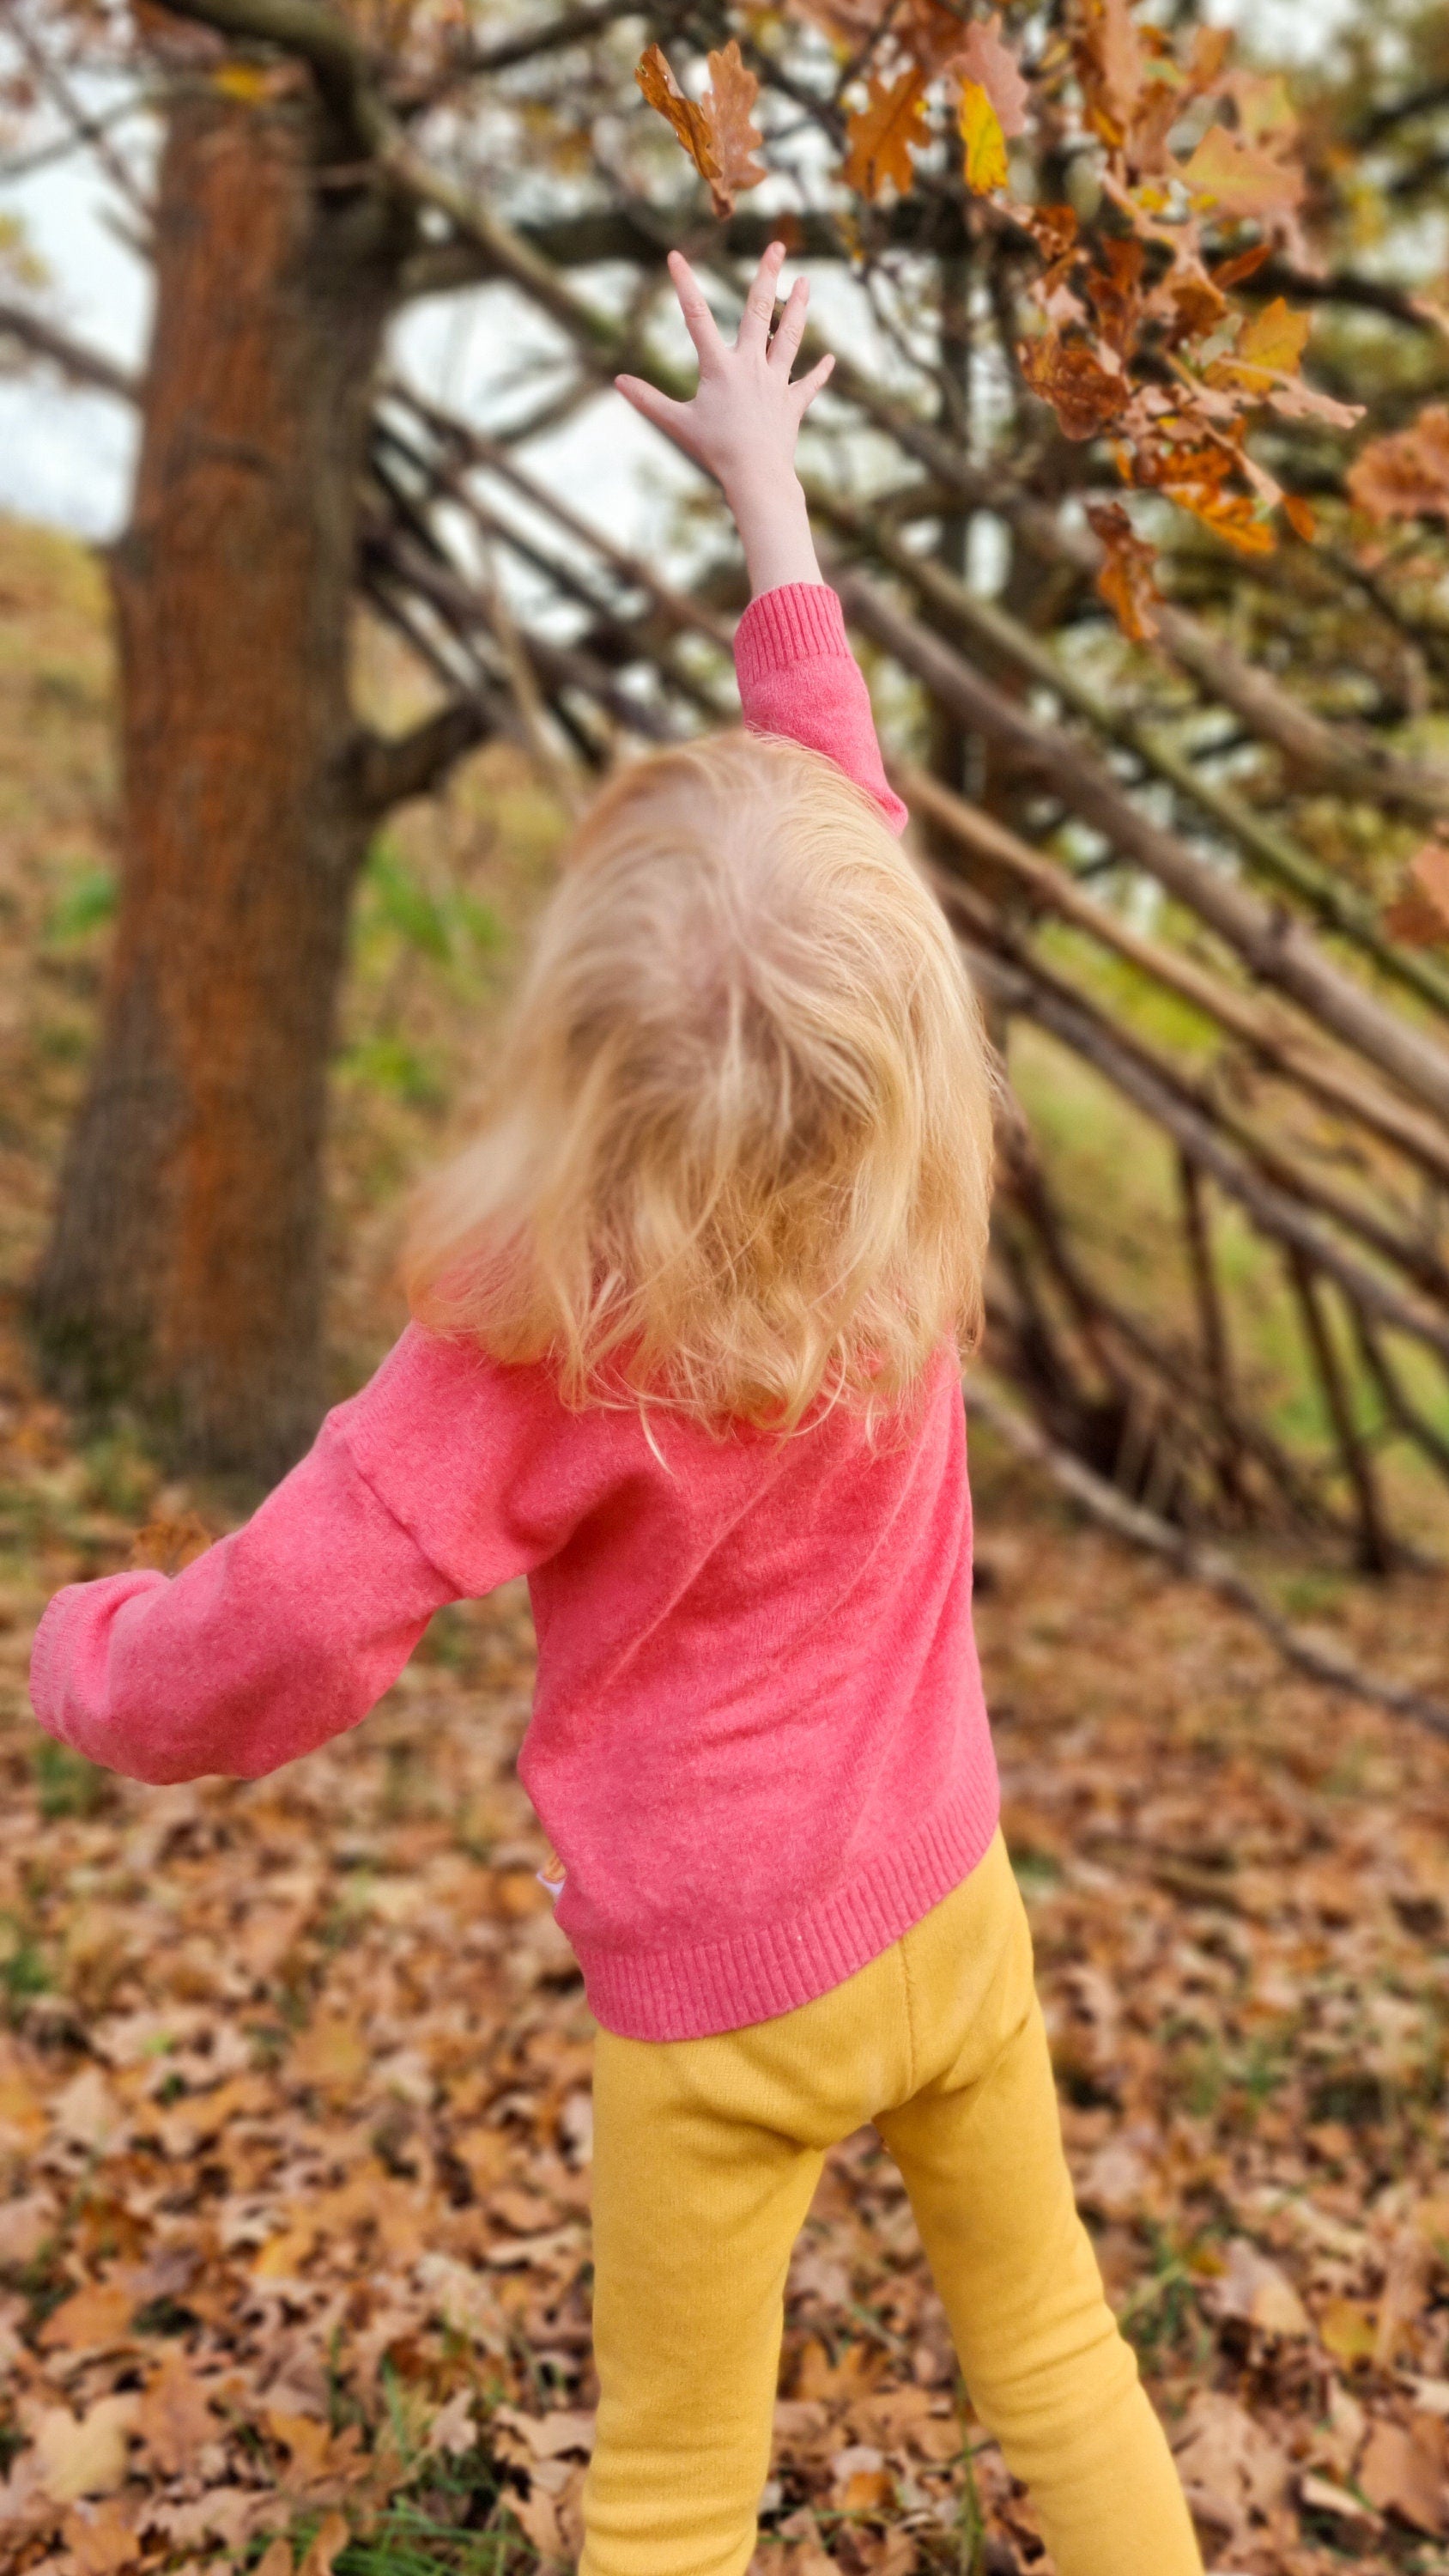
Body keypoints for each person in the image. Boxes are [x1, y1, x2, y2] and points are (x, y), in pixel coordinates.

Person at [29, 242, 1202, 2576]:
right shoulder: (905, 1194)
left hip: (717, 2009)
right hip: (950, 1904)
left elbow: (279, 1627)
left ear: (566, 1059)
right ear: (905, 1051)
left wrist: (89, 1668)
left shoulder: (520, 1341)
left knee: (679, 2485)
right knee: (1057, 2352)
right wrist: (772, 496)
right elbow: (834, 794)